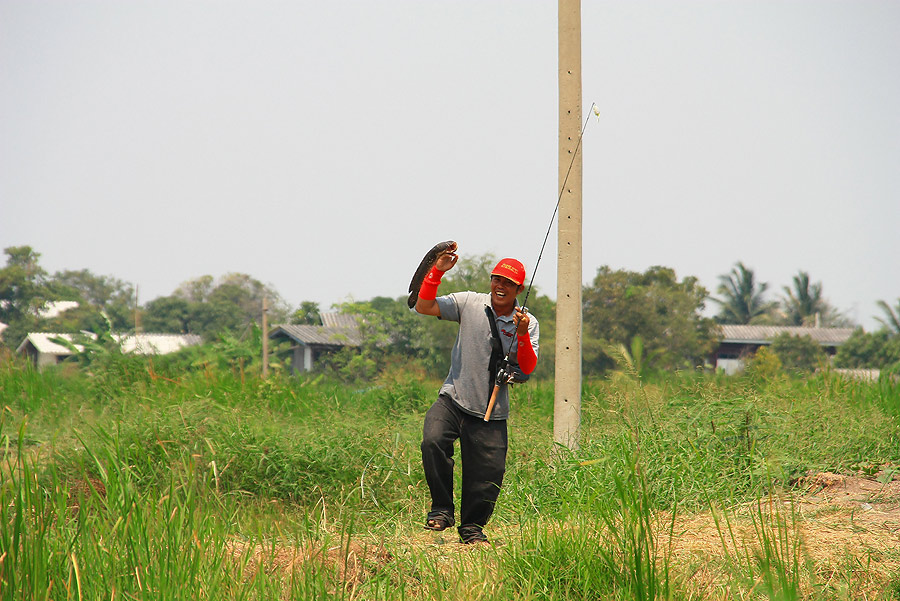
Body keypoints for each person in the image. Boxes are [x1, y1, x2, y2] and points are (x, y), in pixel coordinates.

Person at [414, 247, 539, 544]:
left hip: (491, 410)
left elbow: (528, 366)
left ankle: (471, 529)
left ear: (519, 289)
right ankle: (442, 510)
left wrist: (521, 335)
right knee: (433, 441)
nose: (500, 286)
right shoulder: (469, 302)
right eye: (497, 279)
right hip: (454, 398)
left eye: (508, 283)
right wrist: (437, 272)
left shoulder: (528, 322)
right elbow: (424, 306)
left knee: (487, 475)